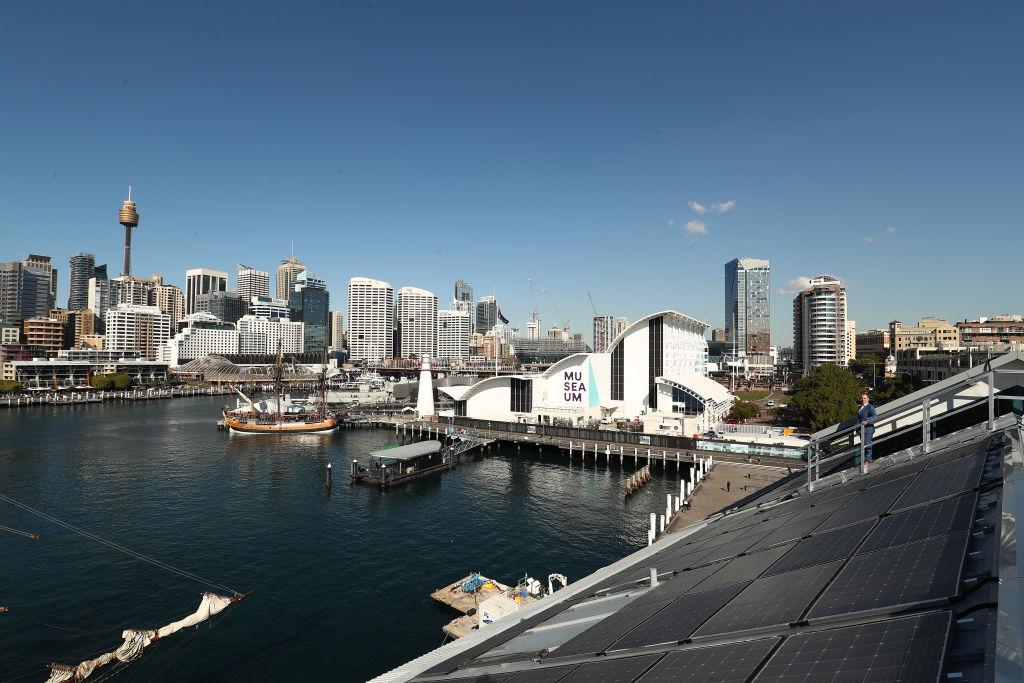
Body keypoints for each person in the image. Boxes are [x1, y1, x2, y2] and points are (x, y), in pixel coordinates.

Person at [858, 392, 877, 462]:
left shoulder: (870, 407)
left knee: (868, 445)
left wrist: (867, 421)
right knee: (864, 446)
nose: (863, 399)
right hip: (861, 430)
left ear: (868, 399)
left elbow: (875, 416)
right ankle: (865, 459)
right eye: (862, 398)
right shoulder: (860, 407)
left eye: (864, 398)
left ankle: (869, 459)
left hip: (868, 429)